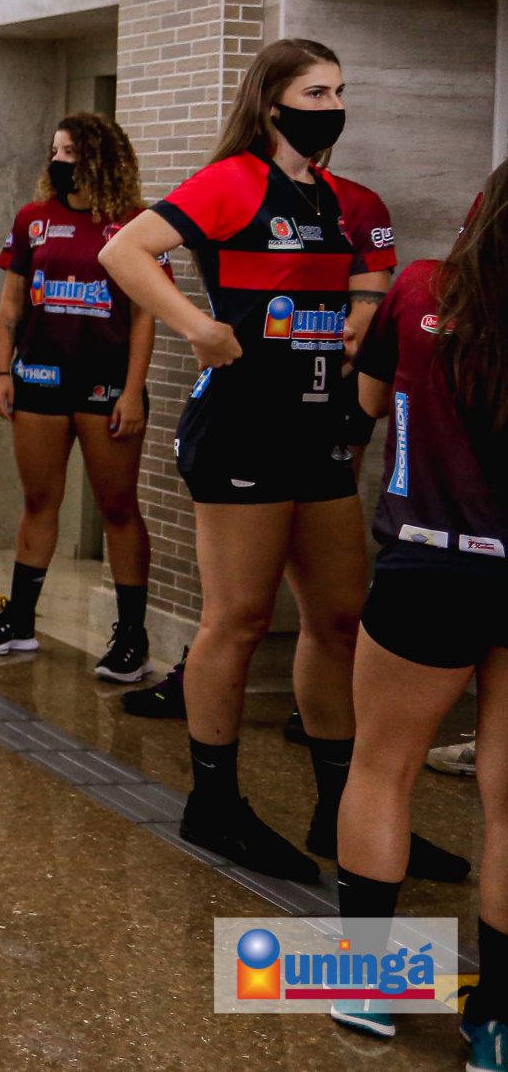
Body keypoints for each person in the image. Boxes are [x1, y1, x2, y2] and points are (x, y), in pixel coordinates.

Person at [99, 37, 458, 885]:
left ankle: (342, 809)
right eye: (316, 91)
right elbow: (125, 252)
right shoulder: (233, 180)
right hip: (241, 429)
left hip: (317, 431)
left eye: (340, 90)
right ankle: (214, 803)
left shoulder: (331, 198)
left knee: (339, 619)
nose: (333, 105)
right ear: (271, 102)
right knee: (238, 619)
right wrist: (198, 326)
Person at [330, 158, 508, 1053]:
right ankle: (498, 1024)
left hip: (427, 564)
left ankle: (366, 988)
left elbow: (368, 401)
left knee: (382, 768)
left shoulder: (420, 290)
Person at [0, 113, 157, 679]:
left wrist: (133, 391)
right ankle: (20, 619)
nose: (60, 161)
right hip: (39, 380)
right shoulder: (33, 219)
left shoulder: (136, 224)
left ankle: (131, 635)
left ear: (100, 157)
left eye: (71, 152)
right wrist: (1, 371)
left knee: (118, 508)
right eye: (55, 151)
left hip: (106, 387)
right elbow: (12, 303)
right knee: (38, 501)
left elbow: (145, 315)